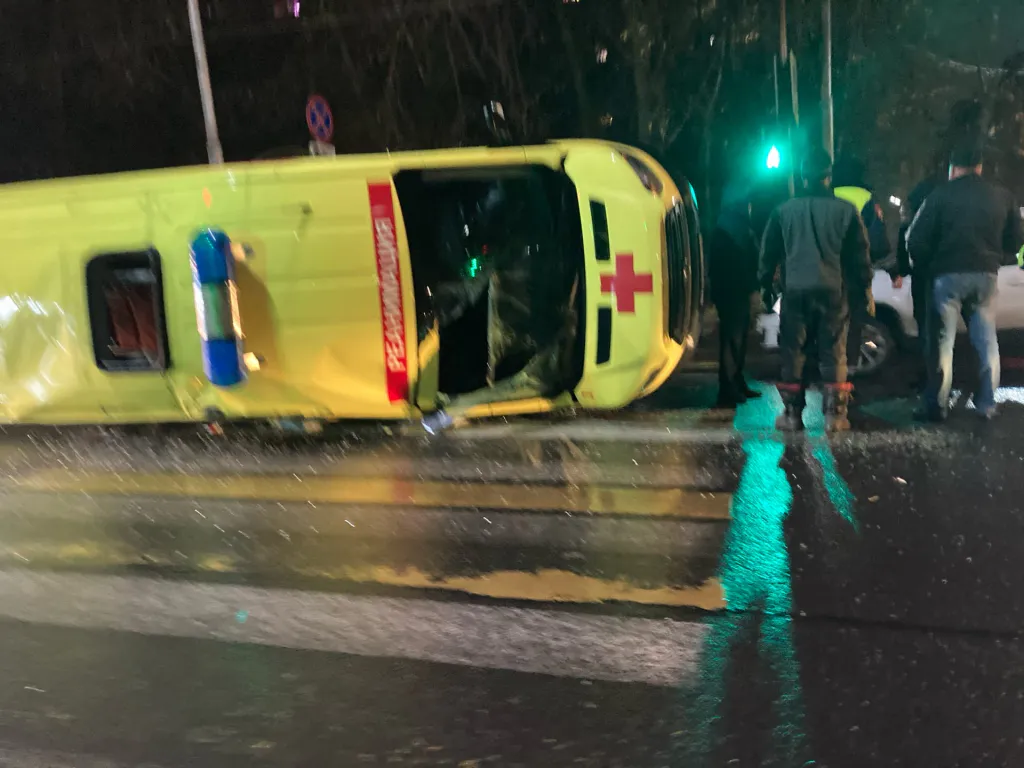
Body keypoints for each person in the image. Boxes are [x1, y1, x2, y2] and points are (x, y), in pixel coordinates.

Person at [905, 140, 1023, 421]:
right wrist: (997, 255)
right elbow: (1016, 239)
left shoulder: (939, 196)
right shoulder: (1002, 196)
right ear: (979, 167)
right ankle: (986, 404)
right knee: (986, 341)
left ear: (952, 168)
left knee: (942, 344)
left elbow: (916, 240)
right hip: (986, 275)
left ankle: (937, 406)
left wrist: (927, 266)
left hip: (946, 275)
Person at [759, 148, 873, 432]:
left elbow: (768, 254)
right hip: (833, 292)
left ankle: (792, 415)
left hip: (795, 292)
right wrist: (864, 291)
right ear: (828, 176)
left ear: (802, 176)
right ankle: (835, 416)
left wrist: (765, 286)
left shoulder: (783, 211)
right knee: (834, 351)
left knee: (793, 352)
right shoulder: (846, 211)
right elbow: (860, 257)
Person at [833, 160, 893, 371]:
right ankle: (851, 365)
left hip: (828, 268)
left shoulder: (827, 195)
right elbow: (878, 241)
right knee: (859, 317)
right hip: (857, 268)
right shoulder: (866, 198)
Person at [709, 181, 762, 408]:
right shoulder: (734, 230)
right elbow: (744, 262)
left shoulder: (727, 227)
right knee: (733, 340)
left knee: (738, 340)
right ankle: (728, 388)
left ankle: (736, 383)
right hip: (734, 292)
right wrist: (752, 287)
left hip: (732, 291)